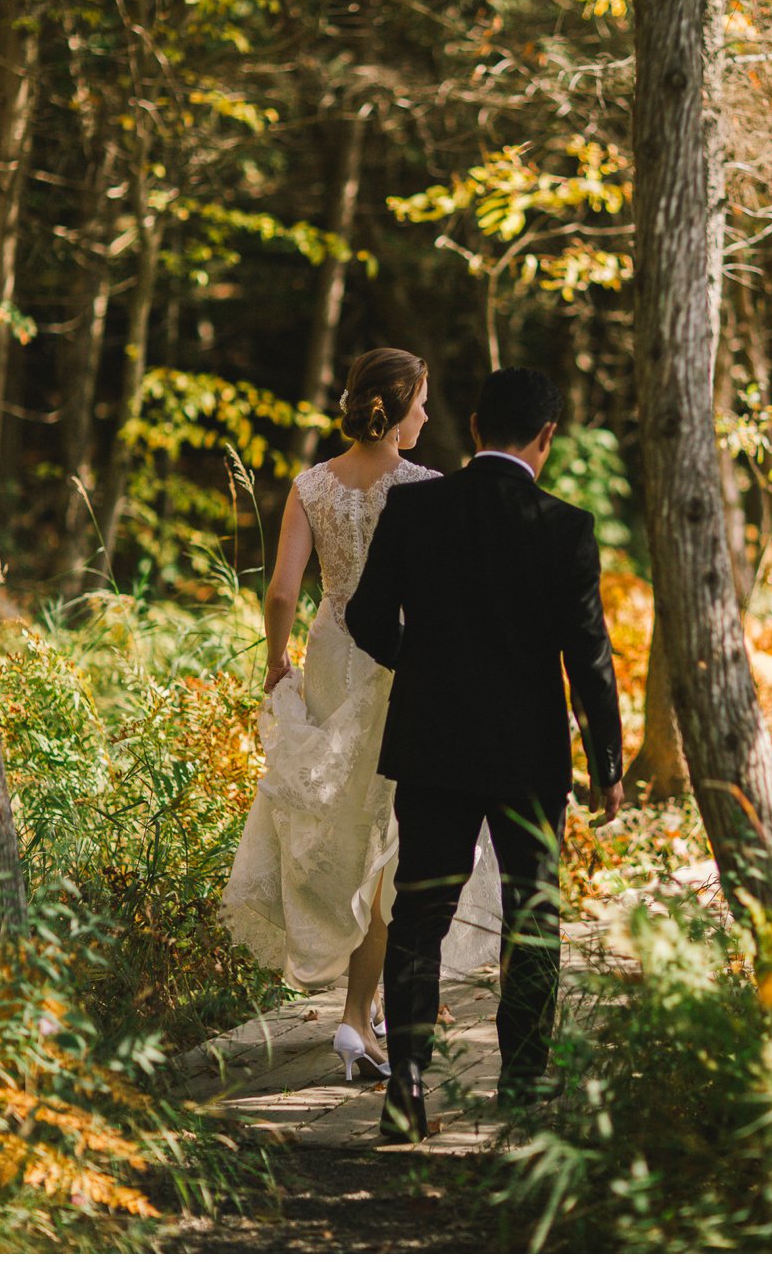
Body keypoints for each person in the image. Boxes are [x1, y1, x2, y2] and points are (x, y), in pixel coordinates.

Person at [346, 366, 623, 1145]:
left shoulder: (413, 507)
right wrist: (608, 762)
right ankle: (526, 1093)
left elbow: (365, 617)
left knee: (419, 915)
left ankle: (405, 1090)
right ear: (547, 438)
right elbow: (589, 655)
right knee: (533, 918)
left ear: (472, 428)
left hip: (431, 745)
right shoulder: (564, 525)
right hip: (528, 757)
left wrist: (422, 666)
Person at [222, 348, 501, 1086]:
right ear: (399, 404)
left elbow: (283, 591)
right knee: (390, 833)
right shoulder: (426, 487)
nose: (429, 417)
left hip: (331, 655)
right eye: (423, 405)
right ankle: (356, 1014)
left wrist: (276, 661)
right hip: (398, 664)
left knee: (341, 823)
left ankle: (359, 1008)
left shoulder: (311, 484)